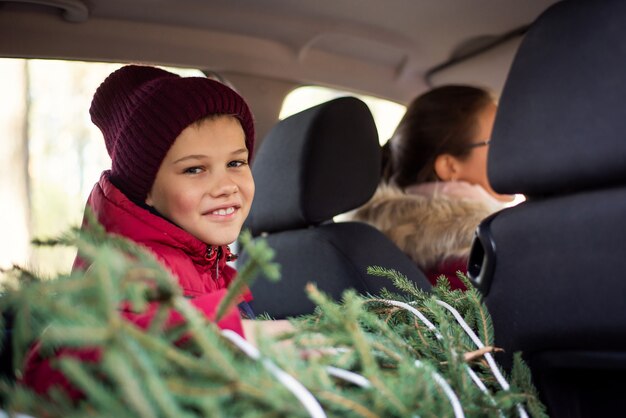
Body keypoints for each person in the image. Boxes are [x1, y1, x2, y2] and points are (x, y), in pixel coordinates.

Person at [21, 64, 287, 397]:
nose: (226, 186)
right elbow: (59, 367)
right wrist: (233, 333)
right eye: (194, 169)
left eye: (236, 163)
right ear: (146, 188)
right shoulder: (127, 270)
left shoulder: (210, 266)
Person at [349, 85, 513, 290]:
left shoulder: (367, 241)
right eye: (496, 139)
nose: (511, 145)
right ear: (449, 166)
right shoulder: (480, 255)